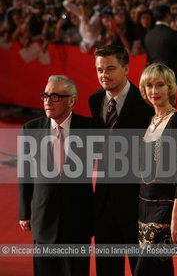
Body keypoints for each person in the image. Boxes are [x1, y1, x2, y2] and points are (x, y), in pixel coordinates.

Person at [18, 75, 94, 276]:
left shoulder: (91, 129)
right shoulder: (31, 129)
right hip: (42, 217)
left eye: (55, 96)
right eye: (45, 95)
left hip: (78, 219)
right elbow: (25, 174)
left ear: (71, 100)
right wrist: (24, 212)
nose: (47, 101)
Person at [89, 45, 153, 276]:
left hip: (138, 203)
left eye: (110, 69)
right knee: (107, 268)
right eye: (99, 70)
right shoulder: (94, 100)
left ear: (126, 68)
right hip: (104, 202)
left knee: (142, 268)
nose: (103, 75)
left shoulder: (147, 104)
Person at [135, 63, 177, 276]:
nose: (154, 91)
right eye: (149, 85)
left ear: (170, 88)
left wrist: (176, 218)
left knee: (144, 270)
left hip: (166, 208)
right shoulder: (150, 121)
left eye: (160, 85)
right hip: (144, 205)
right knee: (161, 269)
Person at [145, 5, 177, 87]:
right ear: (167, 16)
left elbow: (149, 58)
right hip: (171, 78)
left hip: (154, 77)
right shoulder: (173, 34)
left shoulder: (148, 36)